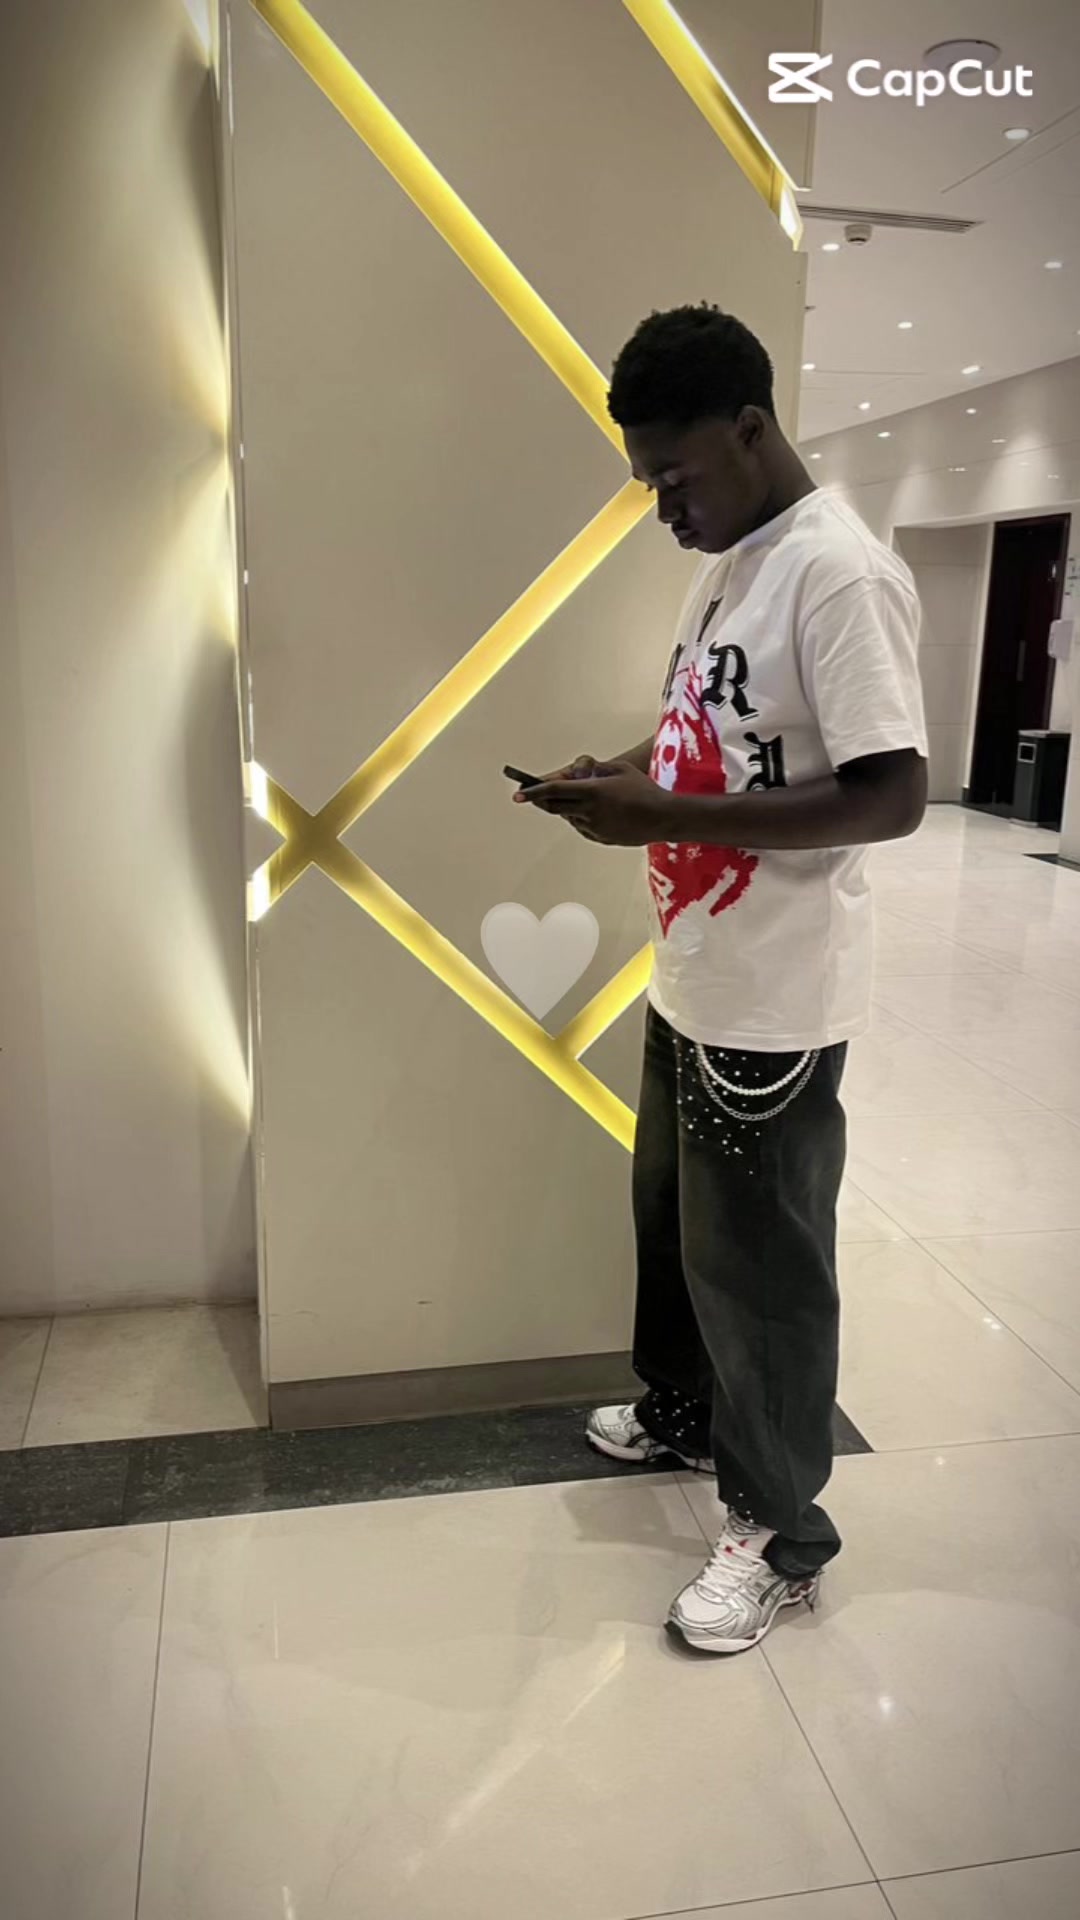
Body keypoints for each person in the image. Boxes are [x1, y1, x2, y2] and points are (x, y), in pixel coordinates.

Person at [515, 304, 928, 1655]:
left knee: (763, 1272)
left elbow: (891, 795)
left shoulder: (838, 574)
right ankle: (687, 1416)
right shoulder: (735, 562)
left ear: (751, 430)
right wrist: (628, 775)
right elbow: (713, 727)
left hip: (777, 999)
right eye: (648, 481)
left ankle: (780, 1532)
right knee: (678, 1235)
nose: (663, 509)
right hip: (697, 972)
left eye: (674, 477)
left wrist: (669, 817)